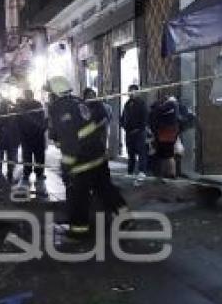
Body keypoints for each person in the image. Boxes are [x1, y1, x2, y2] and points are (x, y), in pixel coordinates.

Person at [47, 77, 128, 238]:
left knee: (78, 197)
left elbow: (70, 139)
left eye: (50, 94)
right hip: (98, 156)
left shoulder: (60, 109)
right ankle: (125, 218)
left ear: (55, 93)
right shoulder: (79, 102)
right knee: (106, 189)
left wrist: (67, 164)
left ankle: (79, 230)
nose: (49, 97)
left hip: (81, 162)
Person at [15, 89, 48, 197]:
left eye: (29, 95)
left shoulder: (35, 105)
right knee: (28, 157)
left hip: (35, 137)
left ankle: (38, 174)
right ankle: (29, 174)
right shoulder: (23, 106)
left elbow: (42, 120)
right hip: (29, 138)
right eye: (27, 95)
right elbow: (18, 123)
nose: (28, 97)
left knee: (37, 157)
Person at [120, 85, 148, 181]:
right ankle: (130, 171)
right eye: (129, 91)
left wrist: (139, 128)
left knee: (141, 152)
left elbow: (145, 119)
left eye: (133, 91)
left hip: (139, 133)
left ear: (137, 92)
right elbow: (123, 117)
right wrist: (123, 125)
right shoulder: (127, 104)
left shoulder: (142, 103)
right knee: (130, 153)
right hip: (129, 133)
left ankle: (142, 171)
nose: (131, 93)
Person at [149, 95, 181, 179]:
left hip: (167, 134)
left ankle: (171, 174)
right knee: (165, 155)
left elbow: (159, 110)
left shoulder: (171, 105)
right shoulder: (173, 106)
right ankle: (167, 173)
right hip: (165, 133)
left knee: (168, 155)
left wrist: (157, 106)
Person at [0, 99, 20, 184]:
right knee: (9, 160)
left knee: (0, 160)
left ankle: (0, 177)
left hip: (2, 140)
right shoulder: (12, 114)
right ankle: (9, 177)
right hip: (10, 140)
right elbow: (16, 128)